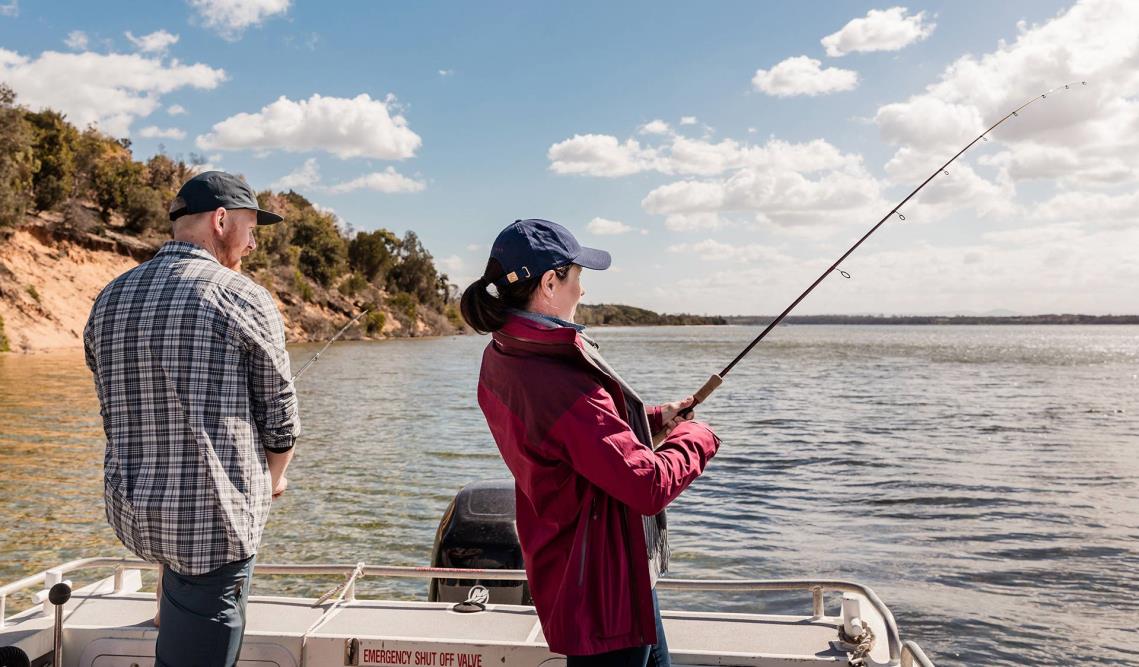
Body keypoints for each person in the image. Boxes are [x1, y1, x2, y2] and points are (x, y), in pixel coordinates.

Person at [460, 219, 721, 667]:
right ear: (549, 282)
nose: (582, 292)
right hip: (602, 584)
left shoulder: (502, 354)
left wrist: (657, 418)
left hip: (593, 569)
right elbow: (646, 484)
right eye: (577, 277)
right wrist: (697, 437)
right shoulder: (556, 376)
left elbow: (572, 444)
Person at [83, 171, 301, 667]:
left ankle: (169, 608)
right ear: (222, 220)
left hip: (136, 510)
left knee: (180, 562)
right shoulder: (242, 295)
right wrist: (274, 477)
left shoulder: (110, 297)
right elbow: (280, 415)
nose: (251, 243)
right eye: (250, 228)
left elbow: (111, 404)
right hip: (211, 522)